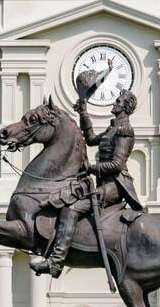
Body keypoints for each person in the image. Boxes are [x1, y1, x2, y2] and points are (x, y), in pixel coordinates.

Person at [32, 68, 142, 278]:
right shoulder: (112, 129)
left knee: (72, 208)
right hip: (103, 183)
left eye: (118, 101)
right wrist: (83, 111)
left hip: (115, 186)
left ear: (125, 107)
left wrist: (90, 168)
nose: (114, 103)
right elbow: (91, 138)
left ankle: (56, 262)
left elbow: (117, 165)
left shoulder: (124, 130)